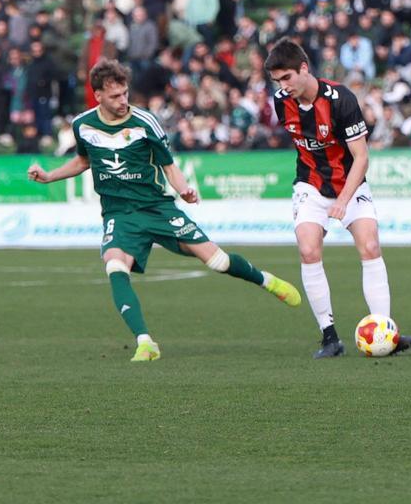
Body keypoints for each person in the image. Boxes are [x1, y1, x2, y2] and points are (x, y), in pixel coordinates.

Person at [27, 59, 301, 362]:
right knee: (115, 266)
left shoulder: (144, 122)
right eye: (116, 96)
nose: (123, 101)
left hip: (156, 207)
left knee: (218, 262)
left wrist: (183, 189)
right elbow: (83, 161)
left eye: (126, 93)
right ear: (99, 96)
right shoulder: (83, 125)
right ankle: (145, 342)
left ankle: (266, 281)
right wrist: (50, 176)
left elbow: (168, 165)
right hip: (119, 213)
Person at [265, 38, 411, 359]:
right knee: (308, 250)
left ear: (304, 69)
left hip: (351, 185)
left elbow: (361, 157)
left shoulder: (340, 99)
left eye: (287, 78)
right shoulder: (281, 102)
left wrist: (343, 199)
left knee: (370, 245)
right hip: (309, 185)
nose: (282, 86)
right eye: (277, 81)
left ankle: (385, 331)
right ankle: (330, 337)